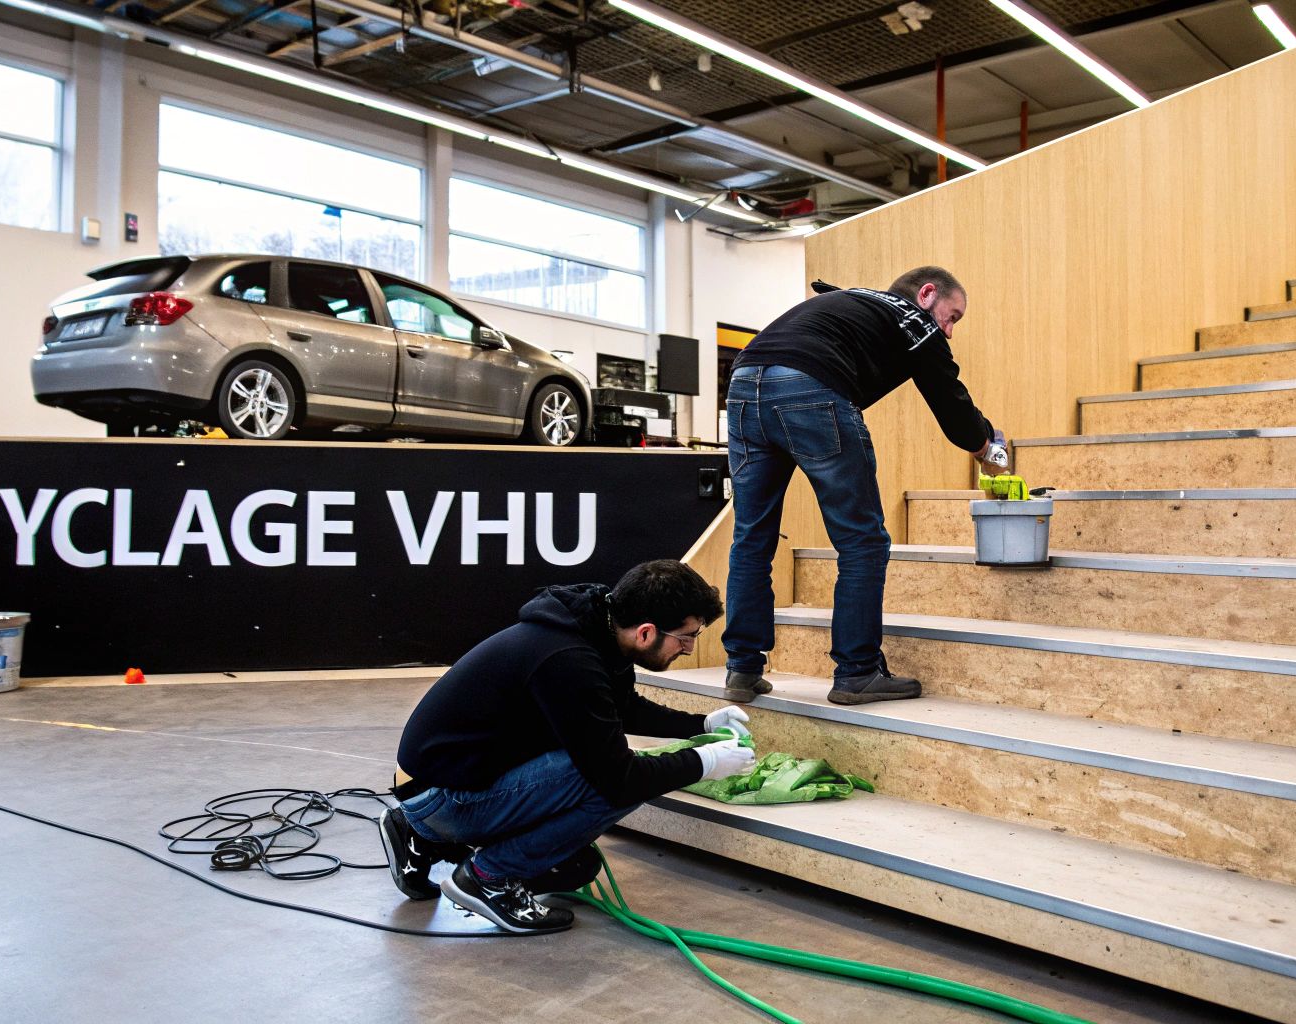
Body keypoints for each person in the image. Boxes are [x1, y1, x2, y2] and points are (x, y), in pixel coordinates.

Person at [378, 559, 757, 934]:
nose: (689, 649)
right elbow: (618, 780)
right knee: (610, 784)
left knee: (573, 866)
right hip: (442, 795)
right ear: (645, 632)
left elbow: (620, 708)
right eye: (686, 637)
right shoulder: (568, 659)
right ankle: (487, 877)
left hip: (435, 779)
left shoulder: (597, 627)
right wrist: (702, 761)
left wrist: (701, 724)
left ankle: (420, 836)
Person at [721, 267, 1008, 707]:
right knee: (862, 542)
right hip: (811, 389)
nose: (948, 332)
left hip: (743, 385)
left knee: (751, 535)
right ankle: (857, 673)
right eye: (952, 317)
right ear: (927, 294)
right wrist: (988, 445)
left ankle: (742, 667)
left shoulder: (853, 301)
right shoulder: (914, 320)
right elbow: (952, 405)